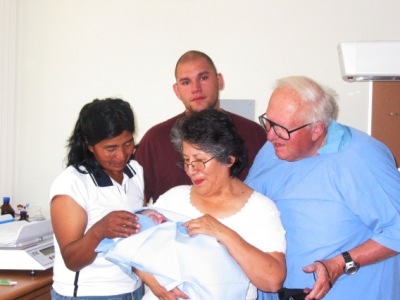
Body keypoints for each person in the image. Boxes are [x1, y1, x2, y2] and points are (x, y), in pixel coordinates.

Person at [245, 76, 400, 300]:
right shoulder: (272, 150)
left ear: (317, 130)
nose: (269, 135)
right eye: (268, 122)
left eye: (280, 128)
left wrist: (341, 263)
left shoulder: (362, 158)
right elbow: (245, 207)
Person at [136, 109, 286, 300]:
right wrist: (149, 278)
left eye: (199, 161)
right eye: (186, 161)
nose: (191, 171)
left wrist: (222, 232)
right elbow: (133, 247)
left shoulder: (260, 209)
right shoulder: (172, 199)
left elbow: (272, 281)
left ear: (229, 159)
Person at [135, 50, 266, 203]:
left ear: (219, 81)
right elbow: (138, 201)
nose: (196, 88)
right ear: (177, 90)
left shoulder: (254, 134)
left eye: (203, 77)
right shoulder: (155, 140)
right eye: (186, 82)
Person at [49, 98, 145, 299]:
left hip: (133, 289)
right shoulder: (72, 183)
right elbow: (72, 260)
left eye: (128, 143)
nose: (121, 155)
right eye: (110, 149)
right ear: (89, 144)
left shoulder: (135, 172)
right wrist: (99, 231)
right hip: (89, 293)